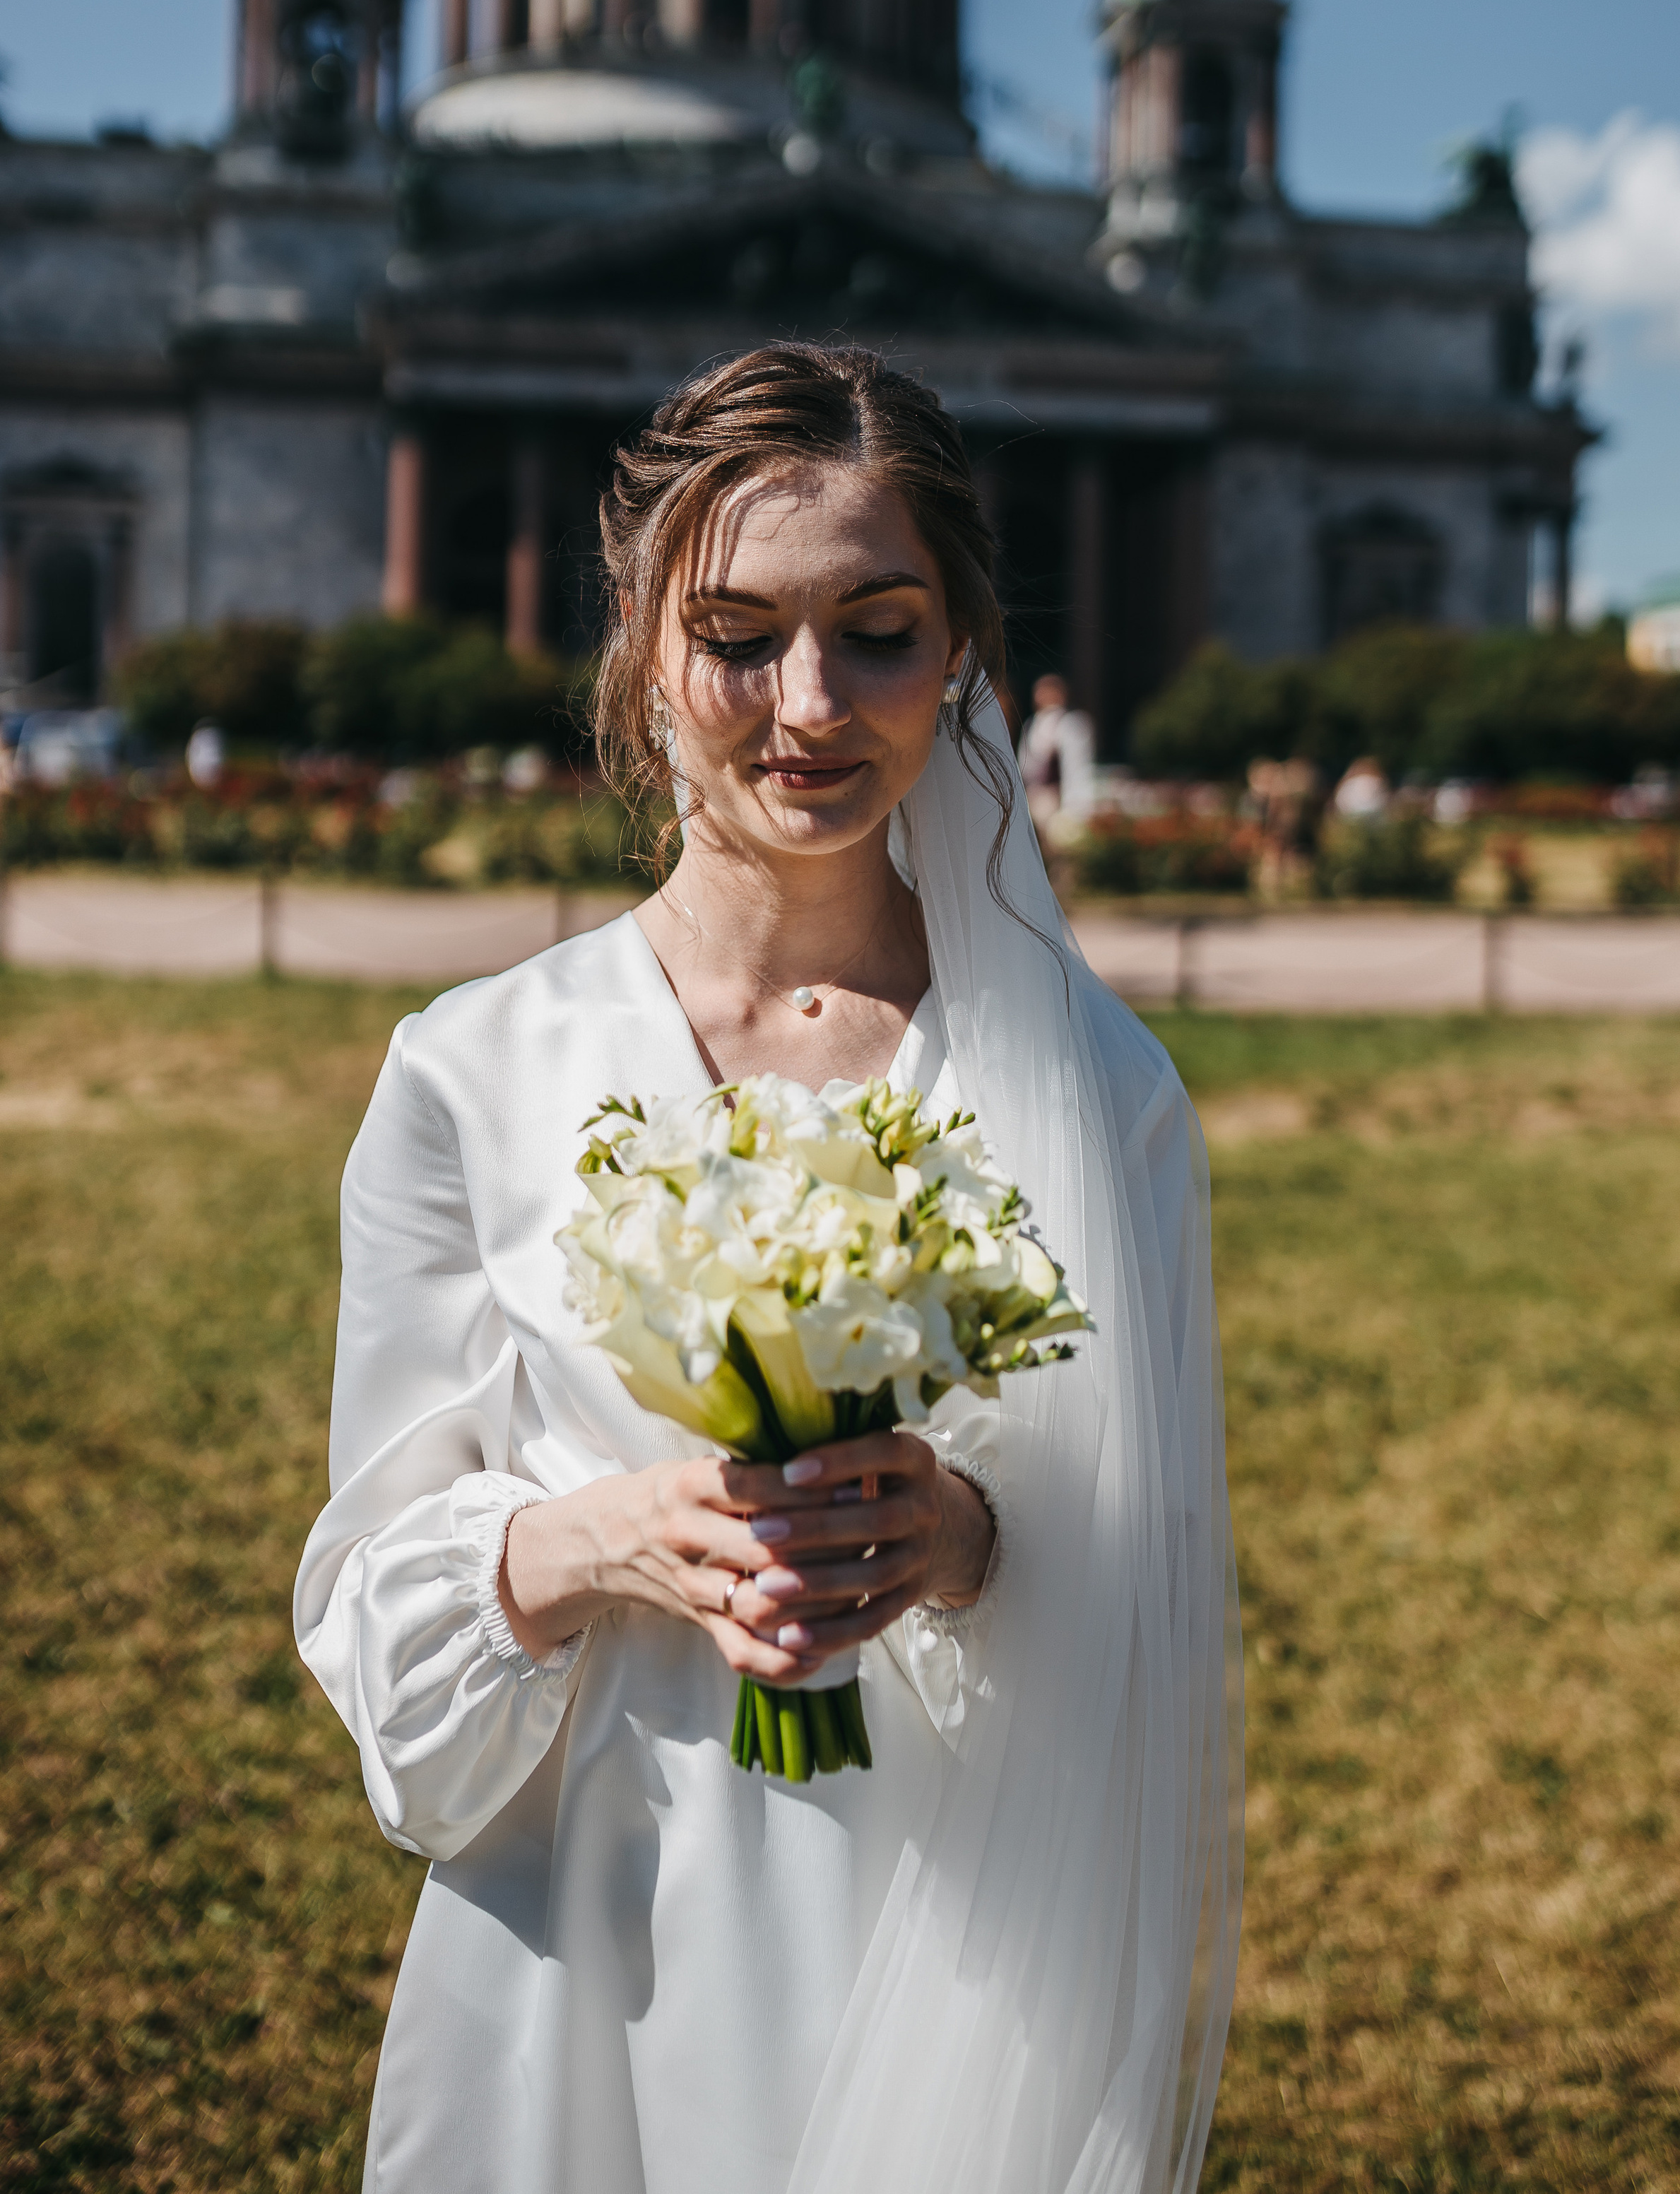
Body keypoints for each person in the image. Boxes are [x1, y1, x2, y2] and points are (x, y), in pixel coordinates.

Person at [295, 345, 1241, 2194]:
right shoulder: (472, 1075)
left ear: (962, 649)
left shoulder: (1101, 1095)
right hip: (589, 1947)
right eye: (738, 635)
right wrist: (591, 1541)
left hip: (963, 1963)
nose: (809, 703)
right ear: (646, 646)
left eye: (878, 631)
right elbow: (373, 1604)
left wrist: (967, 1541)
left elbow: (1154, 1603)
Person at [1016, 671, 1095, 835]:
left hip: (1057, 801)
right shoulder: (1032, 723)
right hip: (1031, 799)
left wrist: (1073, 808)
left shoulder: (1072, 724)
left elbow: (1076, 769)